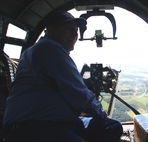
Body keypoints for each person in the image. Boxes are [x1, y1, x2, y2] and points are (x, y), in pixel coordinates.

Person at [3, 10, 123, 142]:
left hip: (48, 122)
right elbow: (79, 94)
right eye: (69, 29)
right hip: (34, 126)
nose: (74, 34)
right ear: (51, 30)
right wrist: (102, 116)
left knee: (112, 127)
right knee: (109, 127)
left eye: (76, 31)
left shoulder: (38, 50)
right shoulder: (49, 49)